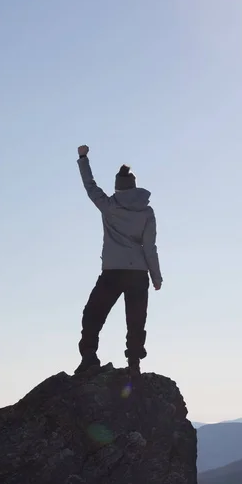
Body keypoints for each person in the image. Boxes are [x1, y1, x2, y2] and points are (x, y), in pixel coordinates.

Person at [74, 145, 162, 376]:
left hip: (113, 271)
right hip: (138, 273)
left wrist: (83, 158)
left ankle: (89, 357)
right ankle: (134, 364)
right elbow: (149, 247)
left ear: (117, 187)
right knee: (135, 321)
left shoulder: (109, 206)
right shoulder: (146, 212)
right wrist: (156, 276)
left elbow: (89, 185)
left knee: (93, 314)